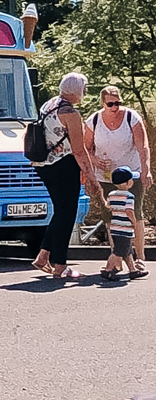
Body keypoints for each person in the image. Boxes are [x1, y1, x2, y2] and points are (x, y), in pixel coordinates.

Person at [28, 73, 103, 278]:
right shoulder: (70, 113)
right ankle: (59, 264)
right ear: (77, 90)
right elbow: (79, 150)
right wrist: (92, 177)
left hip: (42, 163)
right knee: (67, 213)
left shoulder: (49, 104)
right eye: (84, 88)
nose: (85, 92)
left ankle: (43, 256)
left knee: (61, 211)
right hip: (63, 165)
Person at [84, 85, 152, 265]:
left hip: (131, 175)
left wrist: (146, 170)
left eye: (117, 103)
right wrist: (95, 160)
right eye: (110, 104)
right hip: (105, 176)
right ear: (103, 103)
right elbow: (85, 148)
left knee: (135, 213)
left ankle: (140, 257)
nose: (115, 107)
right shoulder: (94, 120)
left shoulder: (131, 117)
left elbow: (143, 146)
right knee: (111, 216)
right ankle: (118, 258)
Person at [100, 166, 148, 281]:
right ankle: (108, 270)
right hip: (124, 228)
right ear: (127, 182)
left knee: (127, 250)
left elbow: (108, 206)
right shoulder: (129, 196)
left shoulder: (112, 194)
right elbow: (129, 211)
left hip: (115, 227)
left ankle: (133, 270)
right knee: (118, 252)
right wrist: (134, 222)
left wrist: (101, 196)